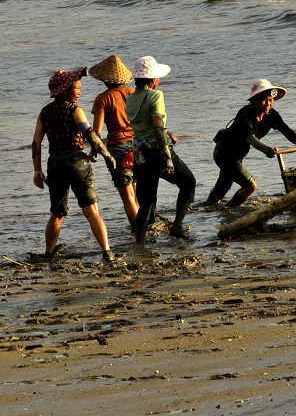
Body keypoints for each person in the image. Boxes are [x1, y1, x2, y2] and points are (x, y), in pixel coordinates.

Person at [31, 67, 116, 263]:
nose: (79, 92)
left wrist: (37, 170)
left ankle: (49, 253)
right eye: (76, 88)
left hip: (56, 164)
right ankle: (107, 252)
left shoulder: (45, 112)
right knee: (92, 210)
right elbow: (90, 135)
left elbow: (36, 142)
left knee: (57, 213)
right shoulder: (75, 110)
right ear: (65, 90)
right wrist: (106, 155)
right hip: (78, 162)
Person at [207, 79, 296, 207]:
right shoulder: (245, 114)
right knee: (250, 186)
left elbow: (286, 130)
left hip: (239, 154)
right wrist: (267, 150)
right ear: (254, 101)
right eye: (264, 100)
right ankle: (231, 209)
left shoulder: (272, 115)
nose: (268, 104)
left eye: (270, 100)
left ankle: (208, 209)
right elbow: (250, 138)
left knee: (223, 186)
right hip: (225, 153)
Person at [126, 56, 196, 242]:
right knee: (188, 182)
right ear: (152, 79)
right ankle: (178, 226)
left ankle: (139, 241)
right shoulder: (156, 95)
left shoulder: (131, 98)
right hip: (157, 150)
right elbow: (157, 127)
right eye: (157, 77)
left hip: (140, 153)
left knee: (146, 200)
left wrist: (167, 131)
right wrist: (168, 156)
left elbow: (144, 124)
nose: (159, 80)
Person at [89, 54, 139, 231]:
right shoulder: (133, 93)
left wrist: (93, 151)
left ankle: (139, 232)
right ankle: (144, 228)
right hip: (138, 144)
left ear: (104, 80)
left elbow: (97, 132)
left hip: (118, 147)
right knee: (135, 190)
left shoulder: (103, 99)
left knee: (127, 196)